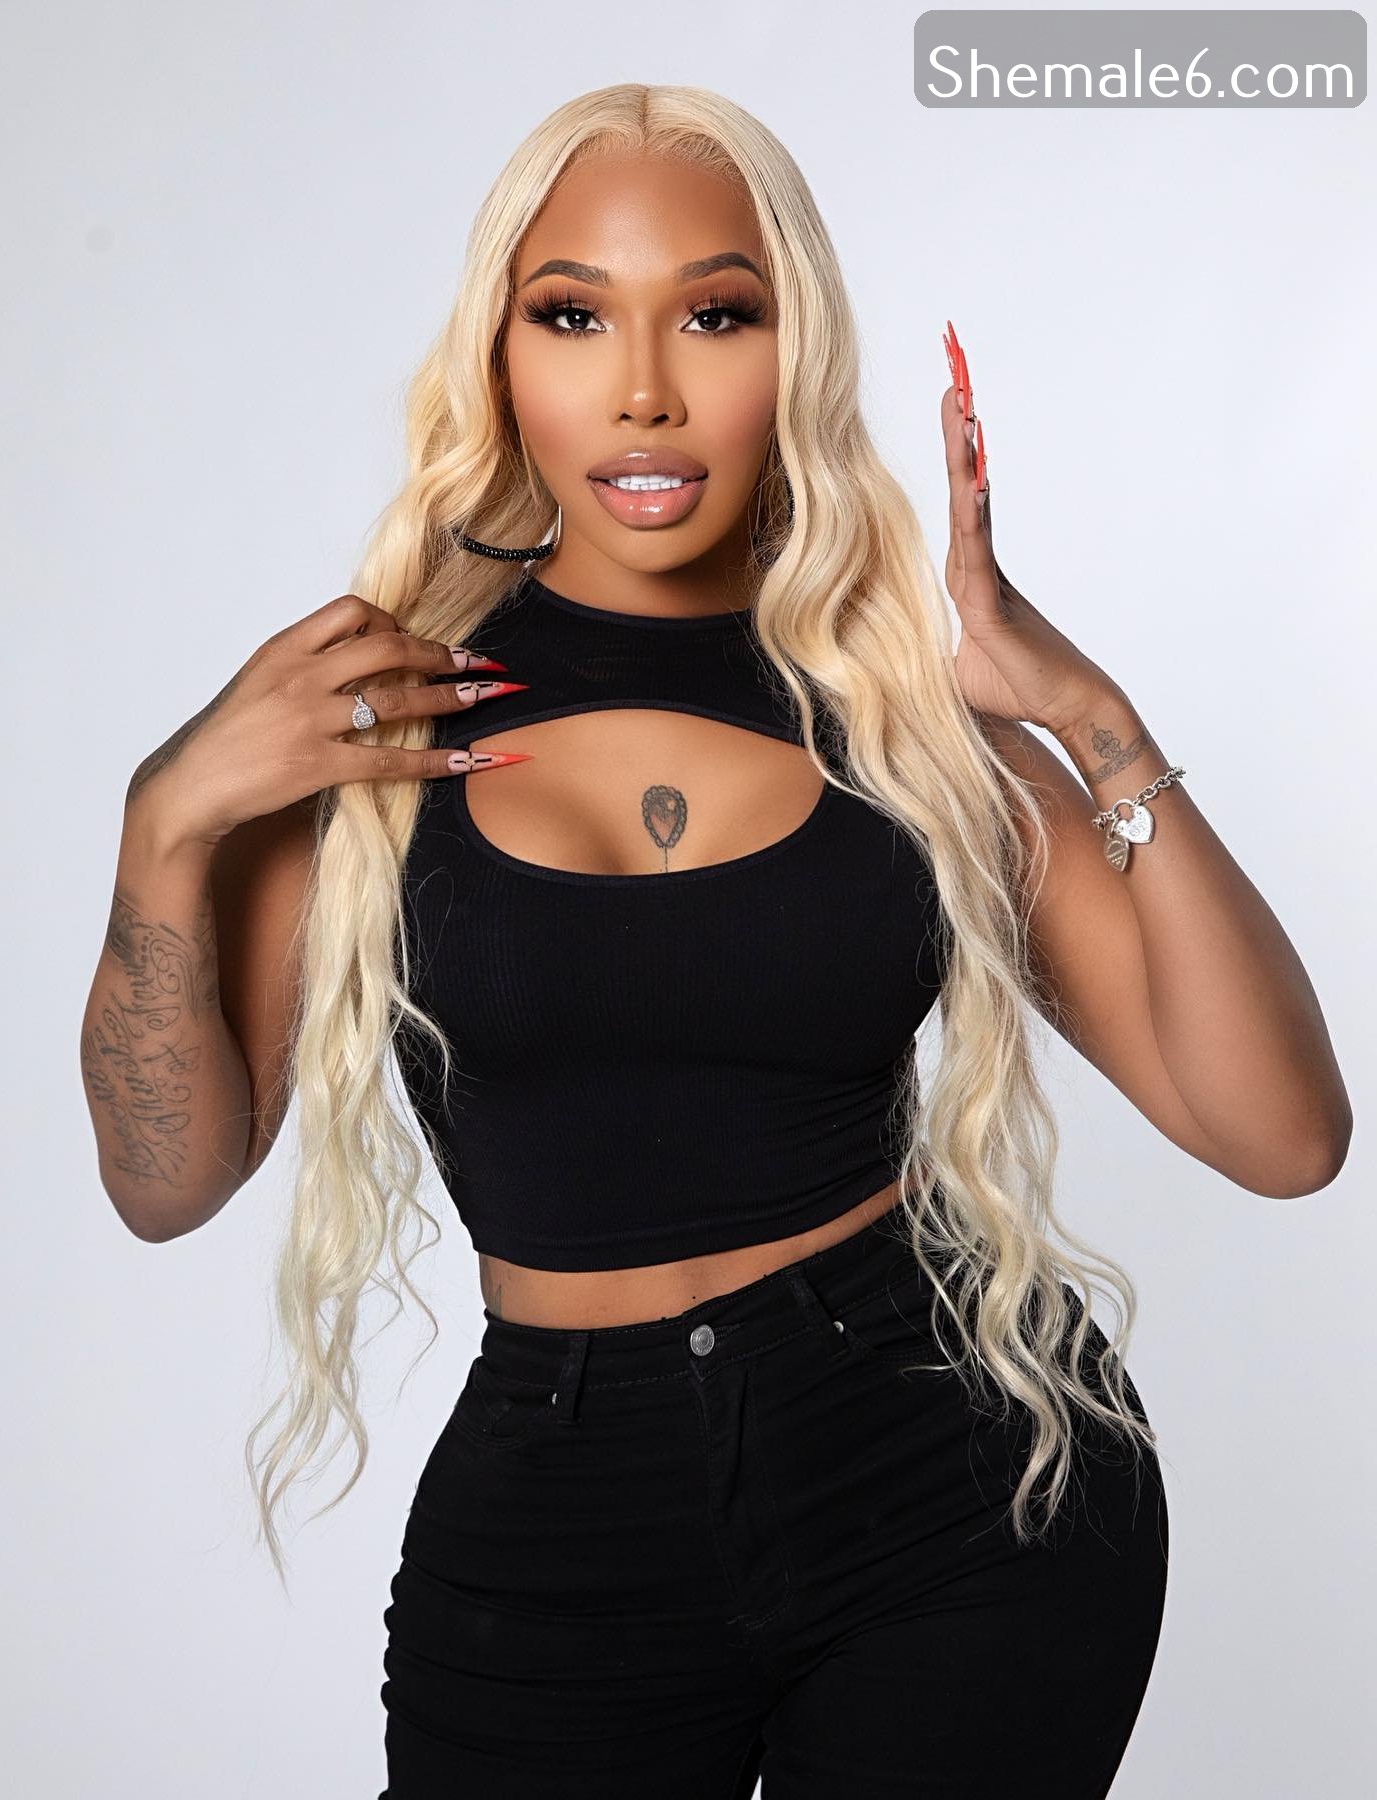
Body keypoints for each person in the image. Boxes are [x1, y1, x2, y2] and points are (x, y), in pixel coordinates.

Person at [80, 83, 1351, 1798]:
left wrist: (1082, 711)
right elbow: (165, 1181)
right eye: (574, 316)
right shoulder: (373, 725)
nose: (645, 389)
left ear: (791, 348)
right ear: (499, 360)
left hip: (958, 1495)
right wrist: (164, 824)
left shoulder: (903, 728)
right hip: (559, 1524)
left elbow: (1284, 1136)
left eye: (715, 314)